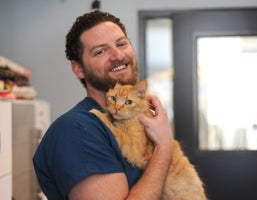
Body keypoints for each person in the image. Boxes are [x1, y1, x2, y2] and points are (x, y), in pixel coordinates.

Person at [33, 10, 173, 200]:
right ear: (79, 69)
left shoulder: (135, 121)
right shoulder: (76, 130)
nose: (117, 55)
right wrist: (163, 149)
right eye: (100, 51)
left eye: (122, 44)